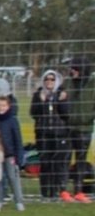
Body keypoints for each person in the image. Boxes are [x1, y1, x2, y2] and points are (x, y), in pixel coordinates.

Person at [30, 69, 70, 201]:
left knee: (57, 162)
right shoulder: (38, 95)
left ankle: (55, 190)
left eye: (52, 79)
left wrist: (62, 101)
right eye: (47, 79)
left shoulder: (61, 94)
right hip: (43, 133)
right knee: (45, 162)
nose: (49, 82)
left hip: (59, 133)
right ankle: (45, 192)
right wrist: (41, 102)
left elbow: (66, 114)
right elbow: (34, 114)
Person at [61, 58, 93, 202]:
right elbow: (59, 102)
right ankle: (63, 190)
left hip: (85, 129)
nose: (71, 71)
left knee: (81, 160)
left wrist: (88, 117)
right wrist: (66, 116)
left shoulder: (92, 85)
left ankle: (79, 191)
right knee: (65, 159)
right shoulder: (67, 83)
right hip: (68, 128)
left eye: (74, 68)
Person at [0, 94, 25, 211]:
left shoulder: (13, 120)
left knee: (12, 177)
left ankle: (19, 201)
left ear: (8, 106)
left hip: (10, 155)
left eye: (4, 105)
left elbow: (18, 139)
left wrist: (19, 157)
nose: (1, 108)